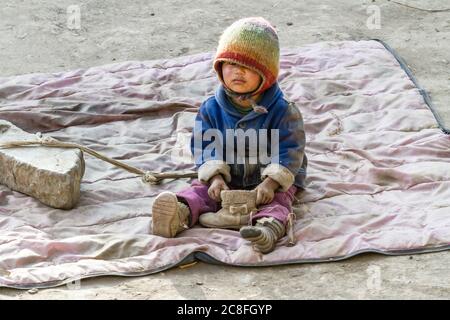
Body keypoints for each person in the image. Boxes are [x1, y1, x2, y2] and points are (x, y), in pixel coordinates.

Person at [152, 17, 307, 254]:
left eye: (248, 66)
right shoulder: (211, 108)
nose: (238, 72)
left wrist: (271, 181)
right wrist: (215, 177)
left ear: (266, 74)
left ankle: (267, 229)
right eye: (230, 64)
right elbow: (205, 147)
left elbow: (291, 150)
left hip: (268, 179)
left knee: (280, 200)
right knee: (199, 190)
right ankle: (178, 213)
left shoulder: (284, 110)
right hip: (228, 176)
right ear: (219, 68)